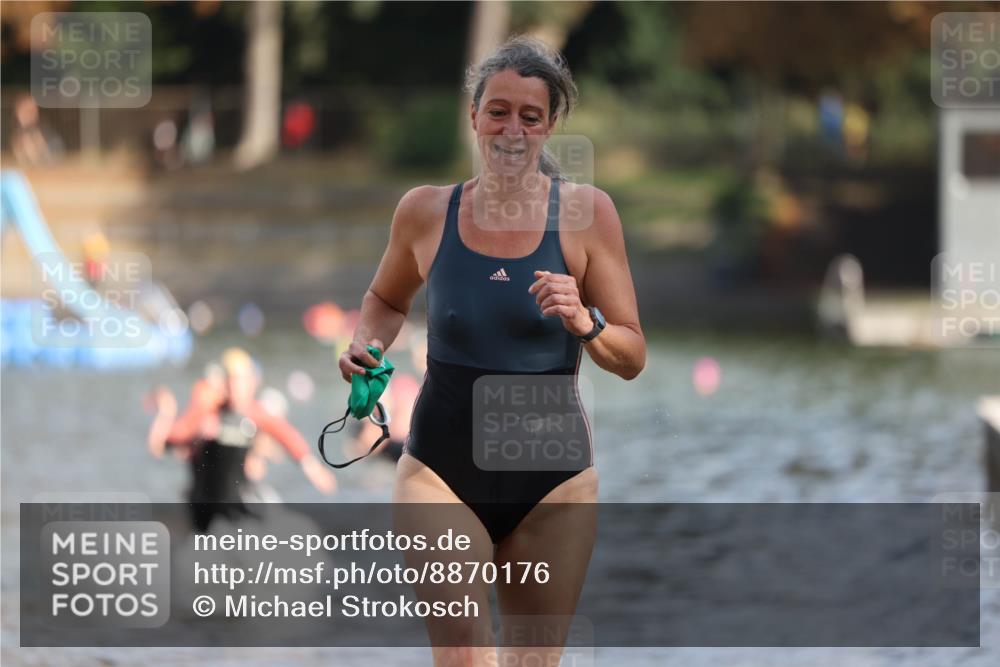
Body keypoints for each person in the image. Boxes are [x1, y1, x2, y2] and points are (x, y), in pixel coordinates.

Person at [338, 37, 644, 665]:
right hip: (441, 473)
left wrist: (586, 322)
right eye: (498, 111)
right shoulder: (425, 211)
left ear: (550, 125)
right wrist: (365, 347)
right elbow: (386, 300)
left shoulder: (588, 215)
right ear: (473, 115)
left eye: (530, 117)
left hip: (552, 482)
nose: (512, 129)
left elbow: (632, 355)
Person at [149, 348, 336, 532]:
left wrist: (312, 466)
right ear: (223, 384)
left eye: (241, 381)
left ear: (252, 383)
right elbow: (169, 440)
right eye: (232, 381)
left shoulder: (253, 414)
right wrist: (167, 414)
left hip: (236, 503)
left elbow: (285, 434)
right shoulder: (207, 412)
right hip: (204, 504)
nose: (236, 388)